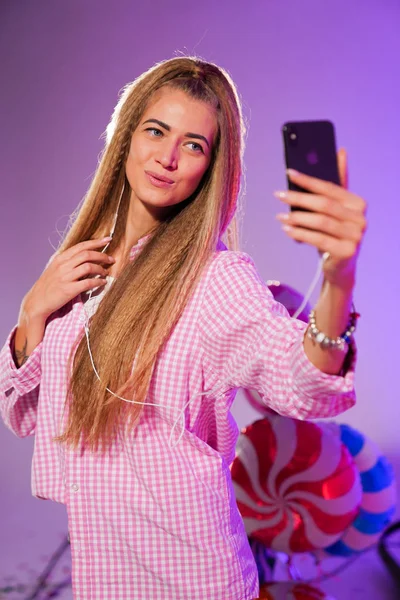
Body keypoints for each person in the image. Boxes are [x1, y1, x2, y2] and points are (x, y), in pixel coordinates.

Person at [0, 56, 366, 599]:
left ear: (211, 167)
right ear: (126, 137)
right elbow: (26, 415)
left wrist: (339, 281)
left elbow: (300, 384)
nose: (168, 158)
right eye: (156, 131)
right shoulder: (81, 268)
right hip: (104, 574)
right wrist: (34, 311)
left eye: (194, 145)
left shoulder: (215, 280)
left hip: (191, 578)